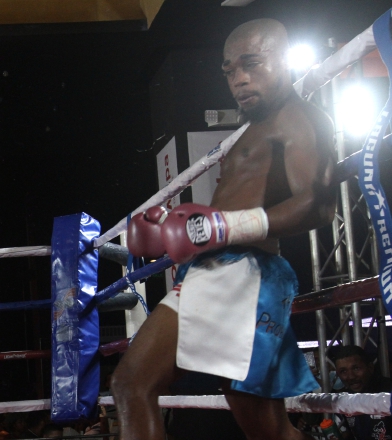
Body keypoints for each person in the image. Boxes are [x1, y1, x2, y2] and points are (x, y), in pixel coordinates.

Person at [113, 18, 336, 440]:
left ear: (284, 60)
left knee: (141, 385)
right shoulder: (250, 131)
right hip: (211, 269)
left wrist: (226, 226)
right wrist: (171, 232)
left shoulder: (300, 118)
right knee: (136, 385)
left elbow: (318, 204)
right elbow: (226, 213)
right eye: (230, 70)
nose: (238, 79)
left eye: (250, 63)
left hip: (245, 272)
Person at [333, 345, 392, 439]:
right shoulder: (343, 400)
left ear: (370, 368)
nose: (351, 376)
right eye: (343, 371)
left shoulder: (389, 391)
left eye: (356, 368)